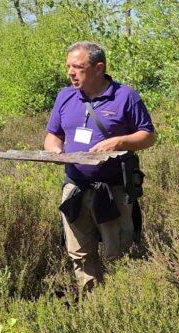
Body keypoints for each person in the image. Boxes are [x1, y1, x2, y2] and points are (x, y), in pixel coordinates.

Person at [44, 41, 156, 291]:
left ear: (98, 68)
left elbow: (148, 136)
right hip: (74, 189)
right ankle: (92, 305)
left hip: (114, 190)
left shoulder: (125, 96)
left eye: (78, 67)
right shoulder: (65, 96)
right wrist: (55, 150)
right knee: (79, 254)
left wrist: (118, 142)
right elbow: (53, 135)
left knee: (119, 253)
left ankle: (122, 304)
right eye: (68, 67)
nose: (71, 73)